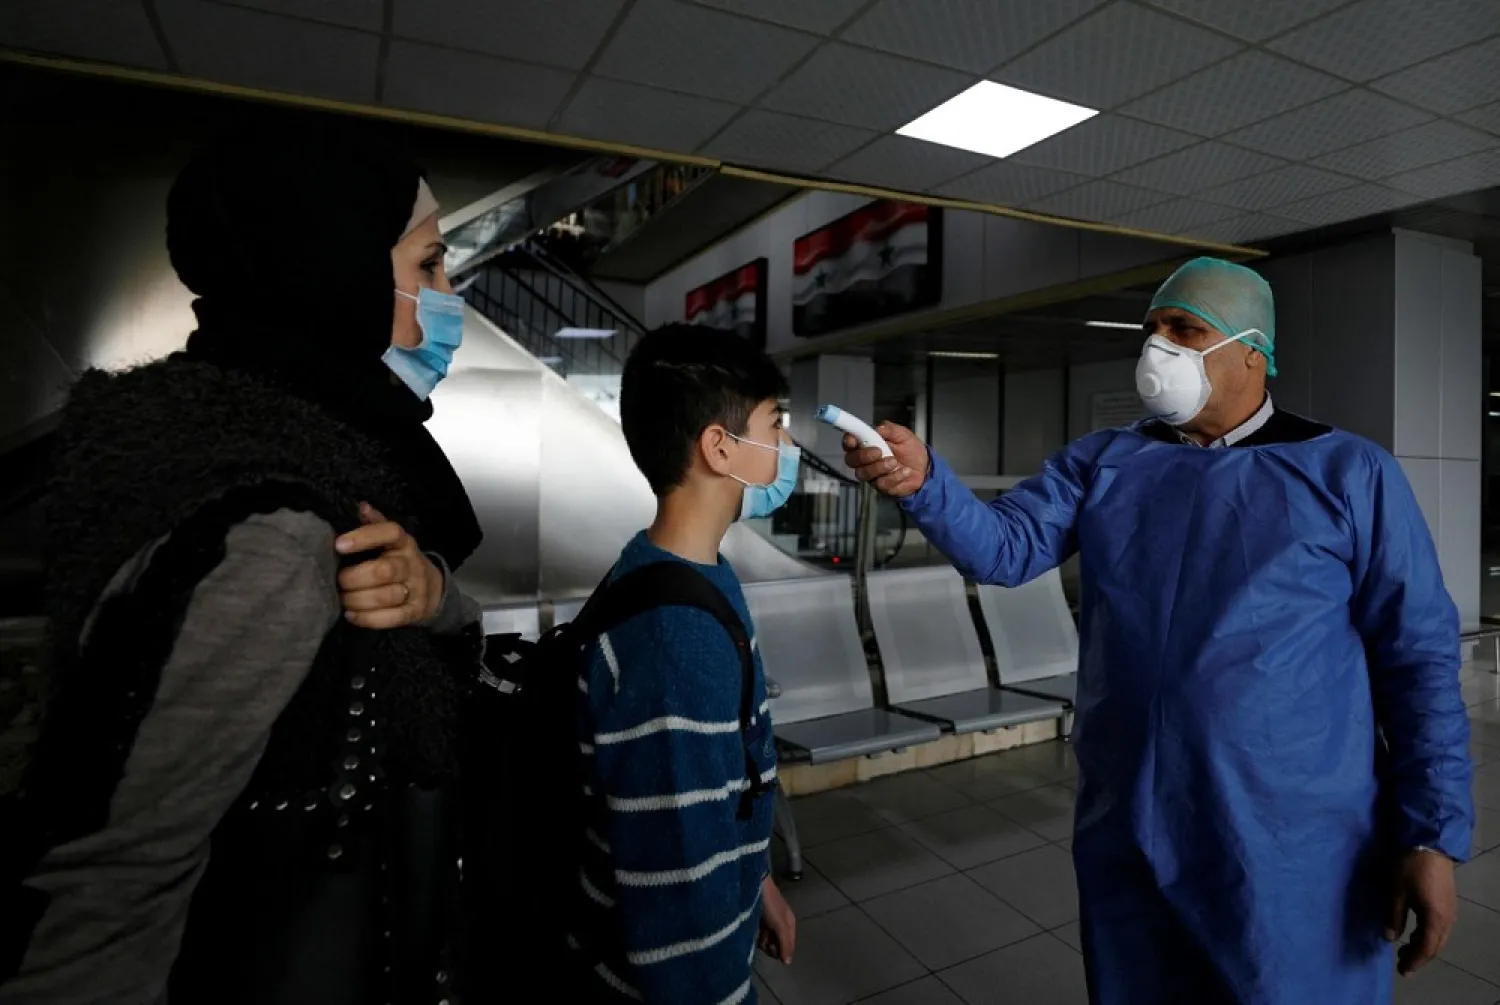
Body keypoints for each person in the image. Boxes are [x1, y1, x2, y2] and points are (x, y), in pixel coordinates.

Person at [843, 257, 1473, 1004]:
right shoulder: (1106, 462)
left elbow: (1417, 659)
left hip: (1293, 833)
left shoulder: (1347, 473)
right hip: (1130, 815)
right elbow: (1005, 548)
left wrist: (1429, 834)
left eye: (1184, 329)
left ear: (1252, 351)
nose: (1158, 348)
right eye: (1152, 329)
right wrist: (926, 484)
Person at [0, 128, 485, 1004]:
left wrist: (433, 592)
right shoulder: (272, 534)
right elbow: (106, 904)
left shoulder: (275, 461)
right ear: (332, 275)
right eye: (430, 264)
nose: (449, 298)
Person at [568, 325, 796, 1003]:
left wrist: (758, 881)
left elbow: (720, 792)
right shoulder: (674, 640)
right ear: (719, 448)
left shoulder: (684, 571)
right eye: (774, 423)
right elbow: (678, 893)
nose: (786, 444)